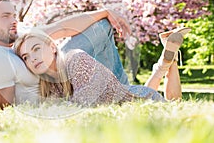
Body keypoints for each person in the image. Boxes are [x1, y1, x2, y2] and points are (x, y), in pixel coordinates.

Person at [0, 0, 131, 109]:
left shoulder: (17, 32)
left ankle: (122, 88)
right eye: (6, 16)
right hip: (59, 93)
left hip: (60, 67)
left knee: (102, 26)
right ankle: (125, 92)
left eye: (13, 15)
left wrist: (105, 12)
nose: (14, 21)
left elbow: (61, 28)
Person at [14, 27, 190, 106]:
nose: (33, 58)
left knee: (174, 106)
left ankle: (169, 63)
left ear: (53, 47)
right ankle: (165, 61)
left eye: (36, 49)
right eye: (26, 57)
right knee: (134, 92)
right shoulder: (47, 84)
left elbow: (83, 104)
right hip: (130, 96)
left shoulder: (76, 59)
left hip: (145, 100)